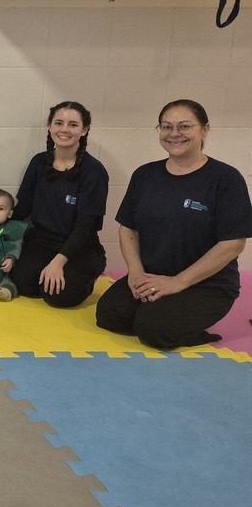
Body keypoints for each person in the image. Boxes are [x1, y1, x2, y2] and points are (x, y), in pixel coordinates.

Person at [96, 100, 252, 349]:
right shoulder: (145, 175)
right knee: (109, 315)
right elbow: (128, 228)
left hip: (206, 285)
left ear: (204, 130)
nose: (174, 133)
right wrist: (135, 272)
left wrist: (178, 282)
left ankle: (195, 332)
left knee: (153, 330)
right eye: (167, 127)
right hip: (151, 276)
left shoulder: (226, 179)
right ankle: (159, 310)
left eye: (185, 126)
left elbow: (233, 244)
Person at [10, 101, 108, 308]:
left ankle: (86, 280)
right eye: (59, 123)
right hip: (42, 242)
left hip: (80, 247)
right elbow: (23, 207)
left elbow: (84, 227)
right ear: (50, 126)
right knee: (22, 282)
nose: (64, 129)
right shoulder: (39, 162)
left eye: (73, 124)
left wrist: (58, 262)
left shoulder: (94, 171)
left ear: (85, 130)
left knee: (58, 296)